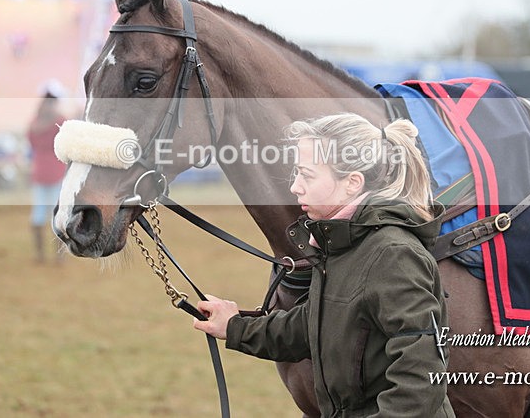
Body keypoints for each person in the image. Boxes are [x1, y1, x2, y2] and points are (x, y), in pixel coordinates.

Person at [193, 113, 455, 417]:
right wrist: (235, 326)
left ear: (352, 183)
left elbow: (420, 375)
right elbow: (316, 325)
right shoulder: (343, 244)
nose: (295, 187)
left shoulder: (393, 254)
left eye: (307, 175)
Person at [27, 79, 67, 263]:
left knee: (38, 215)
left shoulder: (36, 121)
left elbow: (31, 141)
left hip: (39, 171)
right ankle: (59, 256)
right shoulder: (59, 121)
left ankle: (39, 255)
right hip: (57, 171)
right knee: (58, 215)